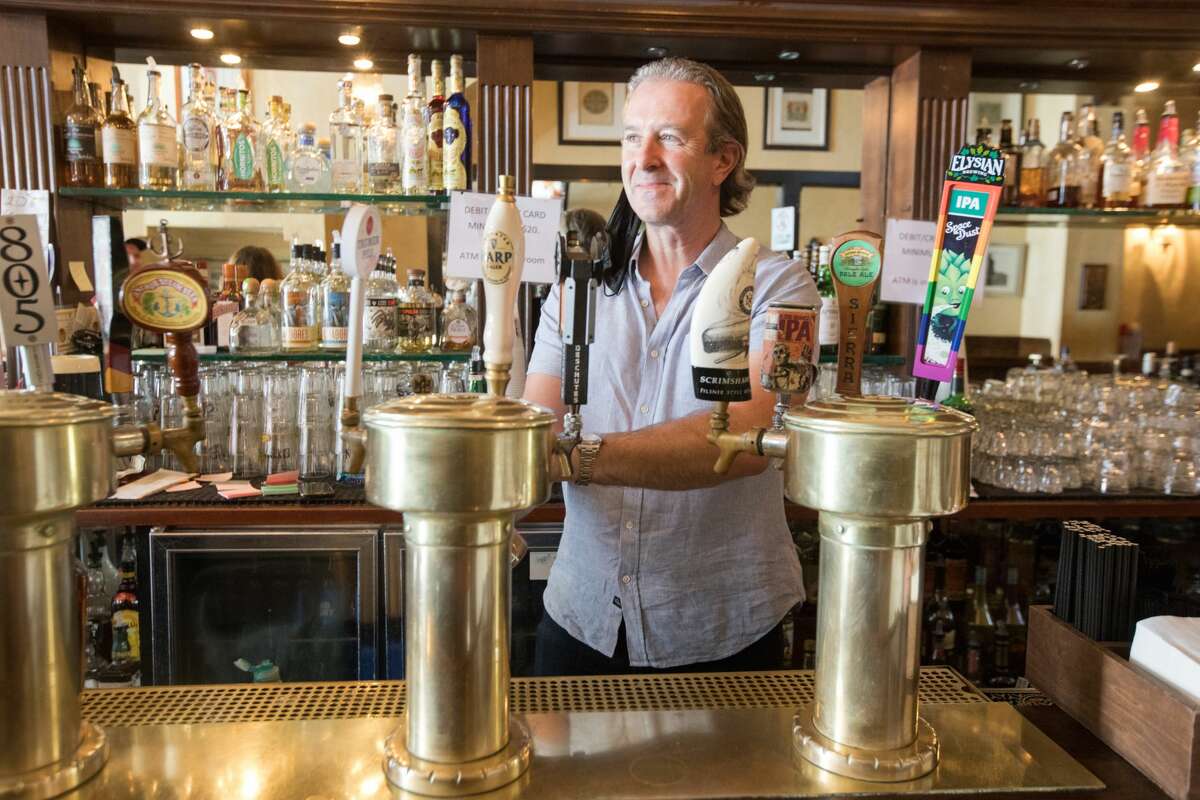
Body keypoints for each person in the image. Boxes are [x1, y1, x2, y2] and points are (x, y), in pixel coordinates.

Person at [524, 58, 819, 675]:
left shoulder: (780, 289)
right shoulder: (576, 289)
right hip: (582, 619)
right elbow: (536, 428)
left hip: (721, 631)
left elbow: (746, 440)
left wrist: (578, 455)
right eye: (632, 137)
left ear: (723, 160)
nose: (644, 156)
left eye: (671, 137)